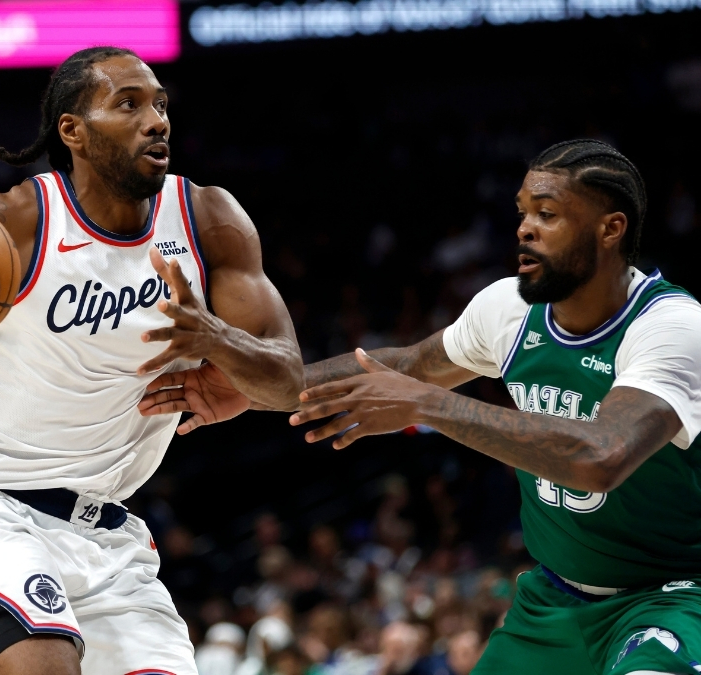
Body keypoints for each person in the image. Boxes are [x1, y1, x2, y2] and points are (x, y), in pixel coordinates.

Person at [0, 46, 305, 675]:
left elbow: (286, 382)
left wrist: (214, 337)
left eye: (160, 104)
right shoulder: (9, 223)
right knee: (41, 663)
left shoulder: (208, 219)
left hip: (111, 532)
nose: (156, 120)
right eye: (128, 104)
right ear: (71, 130)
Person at [145, 140, 701, 675]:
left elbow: (602, 457)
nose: (524, 228)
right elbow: (406, 368)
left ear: (611, 228)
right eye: (522, 212)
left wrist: (433, 407)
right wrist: (252, 387)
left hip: (671, 595)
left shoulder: (670, 327)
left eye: (548, 214)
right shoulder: (506, 308)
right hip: (556, 601)